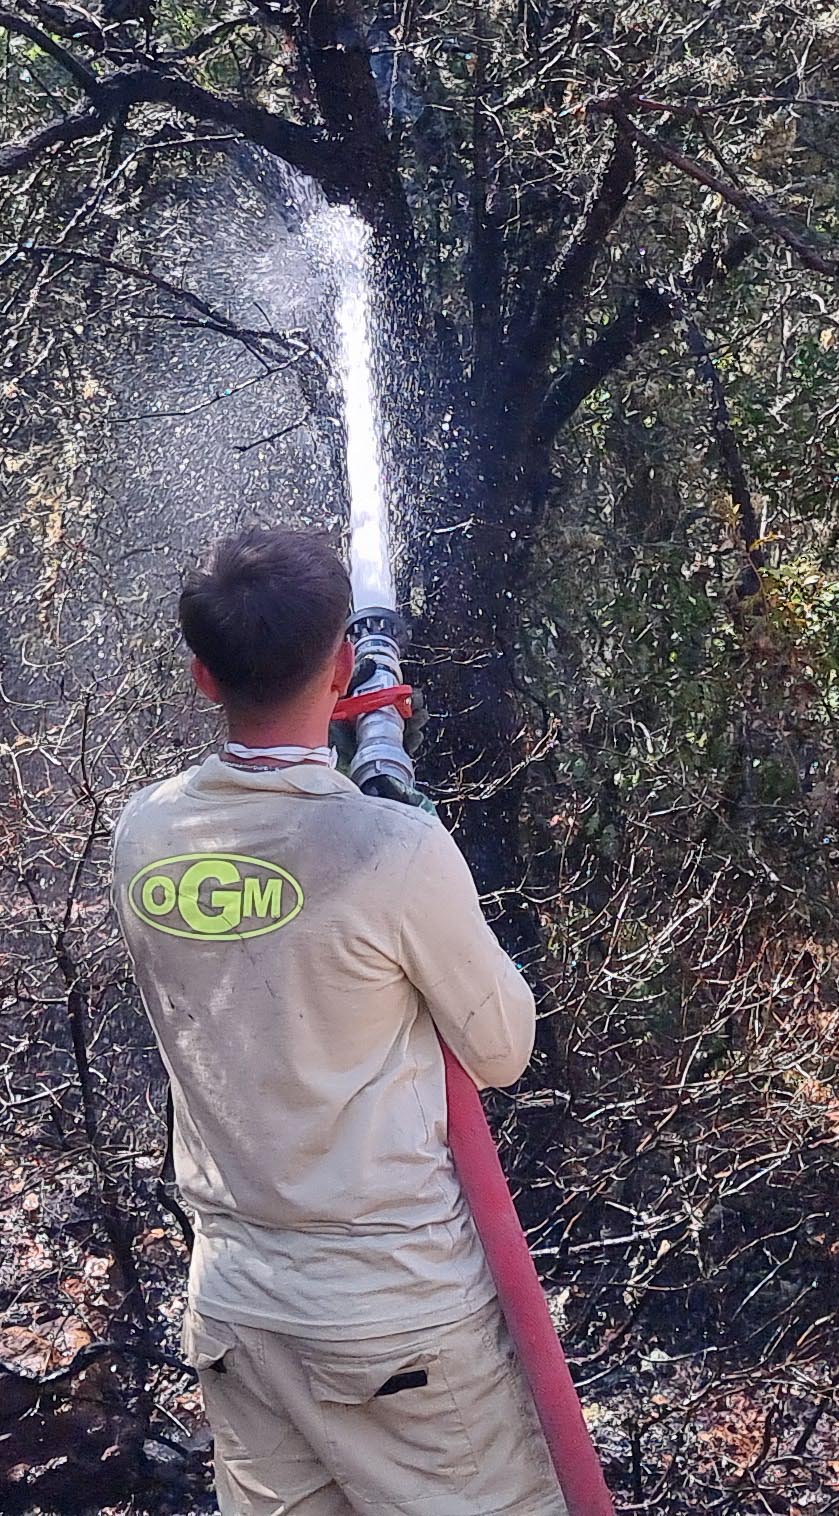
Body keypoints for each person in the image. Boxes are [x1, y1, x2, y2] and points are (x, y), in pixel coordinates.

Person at [112, 527, 557, 1516]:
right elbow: (500, 1048)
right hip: (394, 1320)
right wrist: (422, 854)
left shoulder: (143, 831)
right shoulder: (390, 849)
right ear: (346, 663)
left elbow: (279, 922)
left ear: (201, 675)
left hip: (238, 1310)